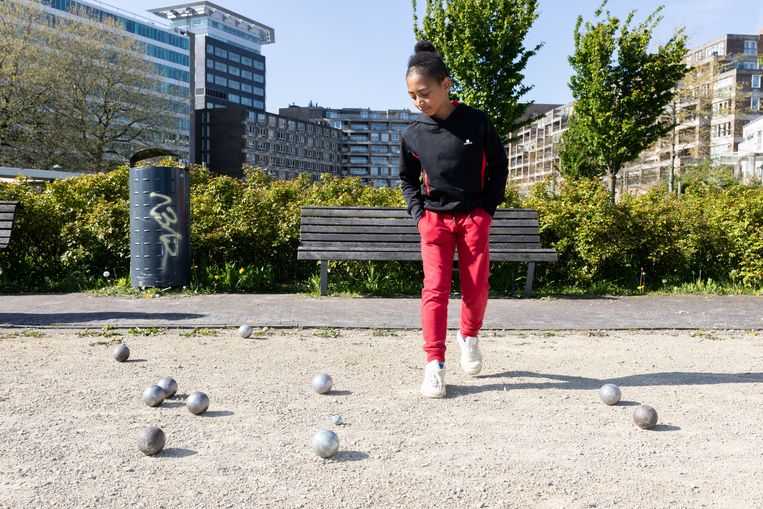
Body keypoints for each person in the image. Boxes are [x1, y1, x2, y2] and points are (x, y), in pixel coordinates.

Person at [399, 40, 509, 398]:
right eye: (413, 96)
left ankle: (469, 336)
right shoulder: (413, 134)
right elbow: (406, 180)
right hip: (435, 223)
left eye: (425, 93)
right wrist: (419, 216)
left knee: (476, 289)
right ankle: (435, 364)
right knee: (435, 291)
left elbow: (498, 167)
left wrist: (485, 213)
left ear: (446, 86)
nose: (419, 102)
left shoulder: (477, 123)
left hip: (472, 220)